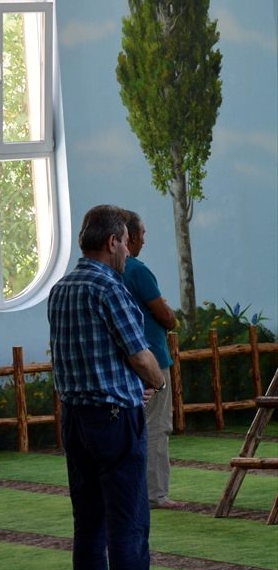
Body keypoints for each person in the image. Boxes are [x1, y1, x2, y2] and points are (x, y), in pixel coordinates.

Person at [48, 205, 179, 570]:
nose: (127, 250)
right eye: (125, 241)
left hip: (75, 418)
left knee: (88, 526)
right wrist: (157, 382)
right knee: (129, 527)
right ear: (112, 242)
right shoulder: (110, 288)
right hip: (114, 420)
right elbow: (140, 356)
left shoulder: (61, 289)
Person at [123, 211, 178, 508]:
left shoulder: (110, 272)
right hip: (152, 358)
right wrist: (172, 318)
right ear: (130, 236)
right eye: (142, 233)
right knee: (157, 425)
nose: (144, 239)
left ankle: (134, 491)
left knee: (133, 426)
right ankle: (155, 493)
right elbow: (164, 315)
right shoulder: (137, 271)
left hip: (125, 359)